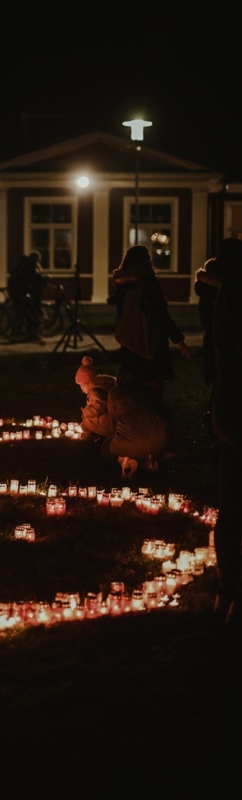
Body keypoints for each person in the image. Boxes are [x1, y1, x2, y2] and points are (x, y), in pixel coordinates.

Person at [209, 237, 242, 627]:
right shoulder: (235, 301)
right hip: (237, 407)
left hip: (227, 407)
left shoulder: (226, 297)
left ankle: (226, 590)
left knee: (231, 508)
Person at [112, 245, 191, 396]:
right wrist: (178, 340)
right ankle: (153, 417)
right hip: (151, 342)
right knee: (154, 392)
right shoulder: (148, 282)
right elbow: (161, 314)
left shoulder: (121, 284)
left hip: (129, 343)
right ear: (145, 261)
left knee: (133, 393)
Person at [101, 365, 177, 477]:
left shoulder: (114, 393)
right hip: (159, 441)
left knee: (105, 448)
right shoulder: (150, 391)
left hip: (128, 442)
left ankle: (128, 460)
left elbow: (114, 425)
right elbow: (168, 416)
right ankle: (148, 461)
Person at [194, 257, 221, 433]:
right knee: (222, 381)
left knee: (218, 382)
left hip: (211, 339)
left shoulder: (204, 291)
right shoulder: (218, 292)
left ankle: (213, 416)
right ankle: (215, 418)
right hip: (219, 340)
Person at [7, 251, 47, 339]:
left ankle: (20, 332)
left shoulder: (22, 268)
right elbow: (34, 278)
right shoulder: (30, 267)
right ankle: (30, 333)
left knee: (25, 313)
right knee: (32, 313)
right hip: (26, 293)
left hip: (22, 293)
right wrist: (43, 280)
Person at [74, 355, 116, 438]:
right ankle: (89, 429)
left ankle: (95, 433)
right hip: (108, 417)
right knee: (86, 421)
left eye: (81, 385)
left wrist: (86, 411)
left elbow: (100, 405)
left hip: (108, 421)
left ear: (86, 383)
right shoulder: (96, 387)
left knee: (87, 418)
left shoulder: (95, 391)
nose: (81, 388)